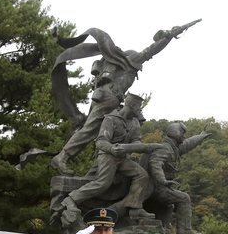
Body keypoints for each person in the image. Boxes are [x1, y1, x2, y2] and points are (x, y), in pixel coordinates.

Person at [50, 22, 198, 174]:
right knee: (90, 130)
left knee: (100, 130)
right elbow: (150, 51)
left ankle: (98, 167)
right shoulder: (129, 62)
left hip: (106, 97)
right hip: (110, 98)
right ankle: (62, 157)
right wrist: (169, 37)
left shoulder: (115, 69)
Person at [53, 94, 157, 229]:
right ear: (131, 106)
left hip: (123, 158)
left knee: (142, 175)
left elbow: (136, 139)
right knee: (103, 183)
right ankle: (71, 199)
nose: (139, 111)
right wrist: (112, 149)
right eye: (138, 107)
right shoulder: (110, 119)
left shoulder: (134, 122)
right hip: (107, 155)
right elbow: (101, 142)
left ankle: (134, 206)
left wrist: (133, 147)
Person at [141, 121, 209, 234]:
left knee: (169, 204)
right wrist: (163, 180)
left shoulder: (173, 149)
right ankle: (185, 230)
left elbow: (188, 144)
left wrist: (201, 136)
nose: (184, 136)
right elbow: (155, 165)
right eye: (182, 133)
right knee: (184, 198)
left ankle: (165, 229)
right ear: (176, 133)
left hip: (160, 187)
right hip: (154, 188)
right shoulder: (165, 149)